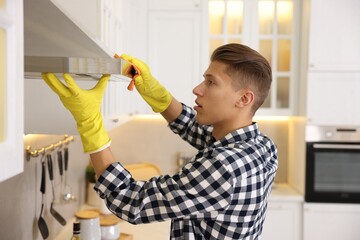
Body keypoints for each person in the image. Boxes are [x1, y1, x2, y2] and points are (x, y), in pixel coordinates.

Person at [42, 43, 278, 240]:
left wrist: (90, 123)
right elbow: (194, 130)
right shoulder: (261, 147)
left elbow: (131, 200)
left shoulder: (224, 166)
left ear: (244, 98)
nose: (197, 89)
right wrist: (153, 91)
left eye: (211, 82)